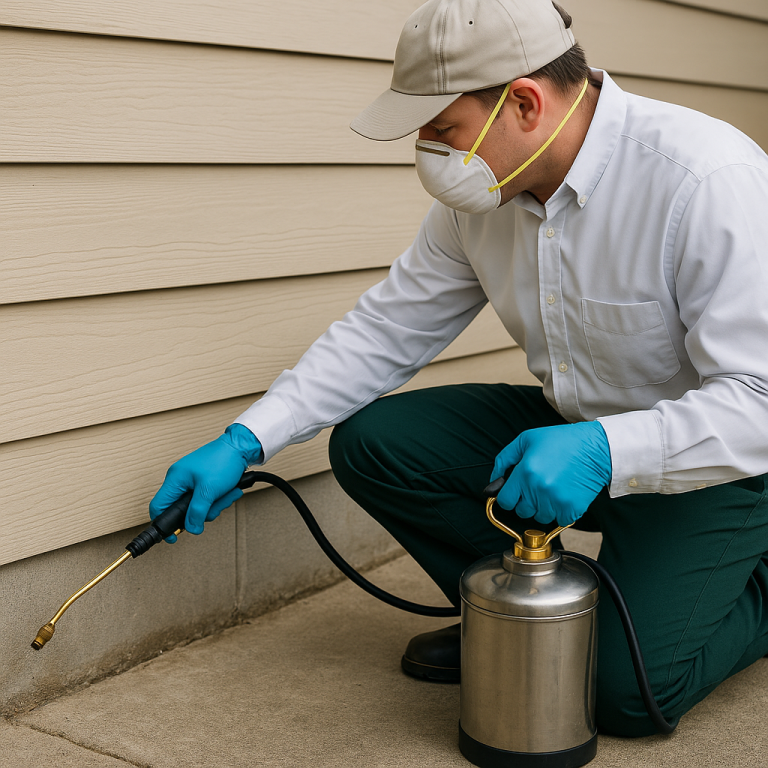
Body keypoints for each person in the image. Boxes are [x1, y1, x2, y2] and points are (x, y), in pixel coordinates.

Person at [149, 0, 768, 737]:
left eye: (442, 129)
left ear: (526, 104)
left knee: (621, 694)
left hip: (720, 465)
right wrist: (247, 440)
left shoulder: (704, 179)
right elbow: (387, 327)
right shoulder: (483, 198)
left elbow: (759, 398)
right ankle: (515, 622)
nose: (428, 150)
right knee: (378, 441)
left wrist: (610, 449)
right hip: (579, 434)